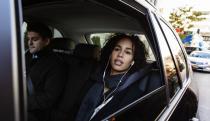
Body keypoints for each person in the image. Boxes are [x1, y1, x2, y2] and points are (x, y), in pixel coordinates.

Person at [75, 34, 148, 121]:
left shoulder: (132, 91)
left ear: (133, 60)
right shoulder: (94, 77)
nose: (120, 54)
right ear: (110, 53)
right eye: (117, 49)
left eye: (128, 52)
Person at [25, 22, 67, 121]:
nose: (30, 43)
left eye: (34, 39)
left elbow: (48, 98)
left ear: (46, 41)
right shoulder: (28, 55)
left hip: (36, 113)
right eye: (28, 39)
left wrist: (19, 102)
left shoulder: (56, 65)